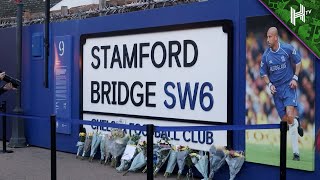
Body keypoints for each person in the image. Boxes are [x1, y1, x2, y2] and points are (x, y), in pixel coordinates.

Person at [260, 27, 303, 161]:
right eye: (267, 37)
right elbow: (263, 73)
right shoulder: (266, 56)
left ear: (276, 37)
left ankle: (296, 153)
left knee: (289, 116)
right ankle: (296, 121)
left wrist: (295, 78)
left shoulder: (287, 48)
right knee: (286, 120)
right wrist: (269, 84)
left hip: (288, 87)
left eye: (270, 37)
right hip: (276, 92)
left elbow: (299, 62)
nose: (267, 40)